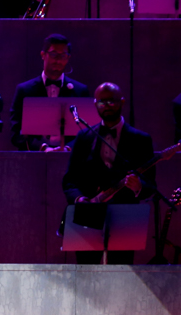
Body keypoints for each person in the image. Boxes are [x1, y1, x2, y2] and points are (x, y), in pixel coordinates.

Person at [62, 82, 161, 264]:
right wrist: (80, 199)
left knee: (121, 274)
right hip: (87, 215)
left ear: (122, 102)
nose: (106, 106)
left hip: (125, 217)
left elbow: (151, 185)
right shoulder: (84, 137)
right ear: (95, 104)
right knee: (85, 274)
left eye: (111, 101)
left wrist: (139, 187)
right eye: (102, 102)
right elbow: (70, 180)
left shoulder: (141, 140)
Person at [10, 34, 90, 151]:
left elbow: (86, 132)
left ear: (68, 58)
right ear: (43, 55)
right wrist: (42, 147)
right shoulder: (24, 90)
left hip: (69, 157)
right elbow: (16, 132)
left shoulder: (80, 91)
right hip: (34, 157)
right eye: (53, 54)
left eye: (63, 55)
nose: (58, 60)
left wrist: (67, 149)